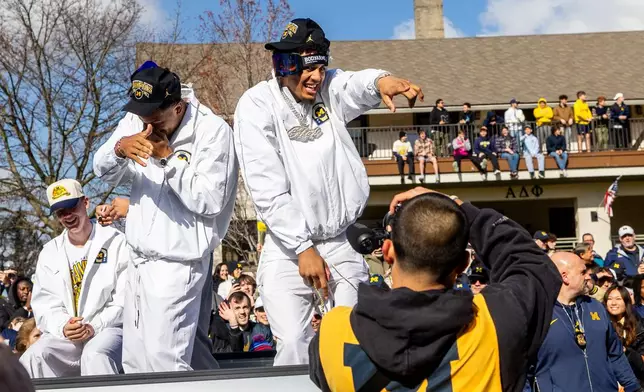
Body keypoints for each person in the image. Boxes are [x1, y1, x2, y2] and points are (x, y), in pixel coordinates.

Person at [233, 18, 423, 366]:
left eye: (321, 67)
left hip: (340, 242)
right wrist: (302, 247)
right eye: (308, 69)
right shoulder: (257, 105)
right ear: (285, 64)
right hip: (287, 247)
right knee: (292, 342)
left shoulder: (327, 90)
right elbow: (266, 186)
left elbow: (353, 84)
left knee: (353, 338)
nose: (317, 77)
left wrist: (382, 80)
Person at [309, 187, 562, 391]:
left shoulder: (332, 333)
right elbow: (531, 263)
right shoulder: (497, 320)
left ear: (387, 252)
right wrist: (457, 206)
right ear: (464, 264)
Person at [93, 63, 238, 372]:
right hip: (138, 260)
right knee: (136, 362)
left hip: (178, 265)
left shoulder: (213, 132)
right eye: (142, 116)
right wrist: (119, 149)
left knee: (166, 364)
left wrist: (167, 158)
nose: (147, 125)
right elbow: (101, 171)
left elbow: (210, 200)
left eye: (155, 118)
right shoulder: (138, 119)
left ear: (177, 105)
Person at [19, 179, 128, 377]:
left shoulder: (114, 241)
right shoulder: (50, 251)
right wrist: (64, 326)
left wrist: (94, 326)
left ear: (85, 202)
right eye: (61, 212)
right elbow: (45, 304)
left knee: (95, 355)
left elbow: (124, 299)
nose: (68, 216)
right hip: (68, 335)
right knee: (34, 356)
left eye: (71, 207)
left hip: (109, 329)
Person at [528, 252, 641, 392]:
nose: (589, 276)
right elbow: (524, 368)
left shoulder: (596, 307)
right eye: (583, 272)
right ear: (565, 277)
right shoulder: (539, 313)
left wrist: (633, 387)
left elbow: (615, 354)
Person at [605, 286, 644, 384]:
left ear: (626, 302)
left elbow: (642, 364)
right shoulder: (600, 325)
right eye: (609, 299)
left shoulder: (639, 326)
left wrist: (627, 351)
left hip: (635, 381)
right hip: (608, 381)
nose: (613, 303)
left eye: (618, 299)